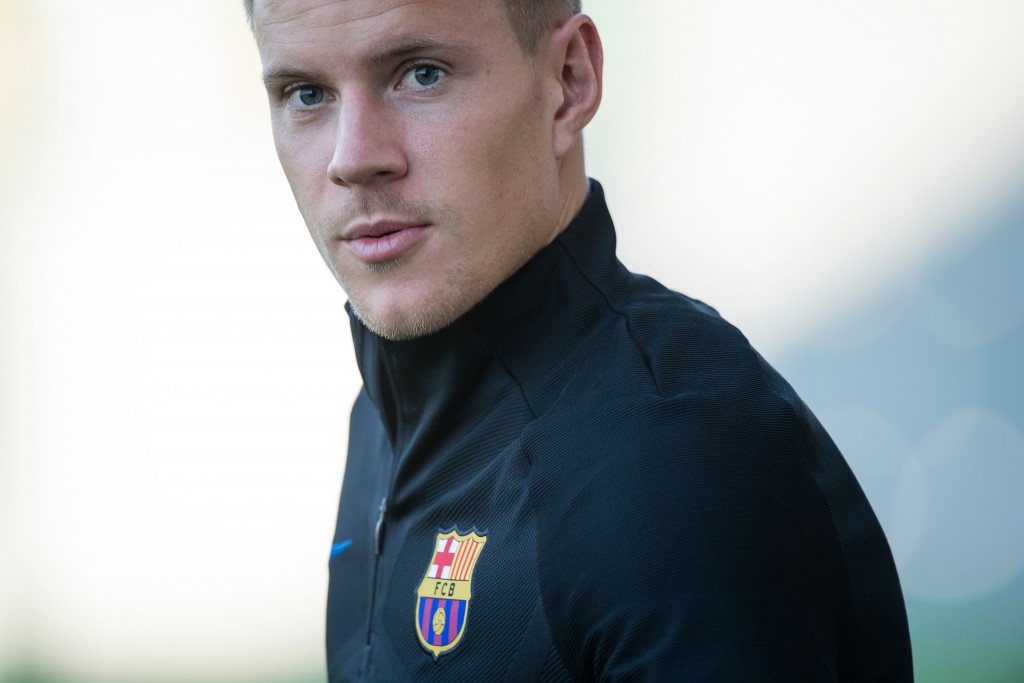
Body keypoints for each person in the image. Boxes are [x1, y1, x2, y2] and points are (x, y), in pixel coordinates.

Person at [246, 0, 913, 680]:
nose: (353, 158)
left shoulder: (675, 463)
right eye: (306, 94)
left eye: (422, 74)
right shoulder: (384, 416)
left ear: (569, 81)